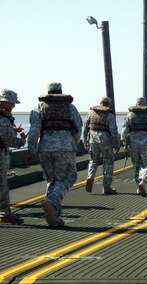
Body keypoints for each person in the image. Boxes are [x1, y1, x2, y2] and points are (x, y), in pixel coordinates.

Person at [26, 82, 82, 227]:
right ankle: (51, 201)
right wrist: (72, 143)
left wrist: (31, 150)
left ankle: (55, 217)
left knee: (51, 179)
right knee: (68, 178)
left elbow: (34, 131)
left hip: (44, 147)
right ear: (61, 91)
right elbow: (78, 128)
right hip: (65, 147)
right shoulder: (70, 108)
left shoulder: (39, 108)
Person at [0, 89, 27, 224]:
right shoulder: (3, 119)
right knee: (2, 184)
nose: (14, 106)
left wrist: (13, 130)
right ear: (4, 102)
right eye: (12, 103)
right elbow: (9, 140)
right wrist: (21, 141)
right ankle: (4, 213)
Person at [83, 97, 120, 195]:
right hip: (105, 141)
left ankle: (90, 176)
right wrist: (117, 143)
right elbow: (114, 132)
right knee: (108, 162)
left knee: (93, 160)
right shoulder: (110, 116)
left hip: (92, 140)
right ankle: (106, 187)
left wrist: (84, 140)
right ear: (109, 105)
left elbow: (85, 127)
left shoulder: (91, 113)